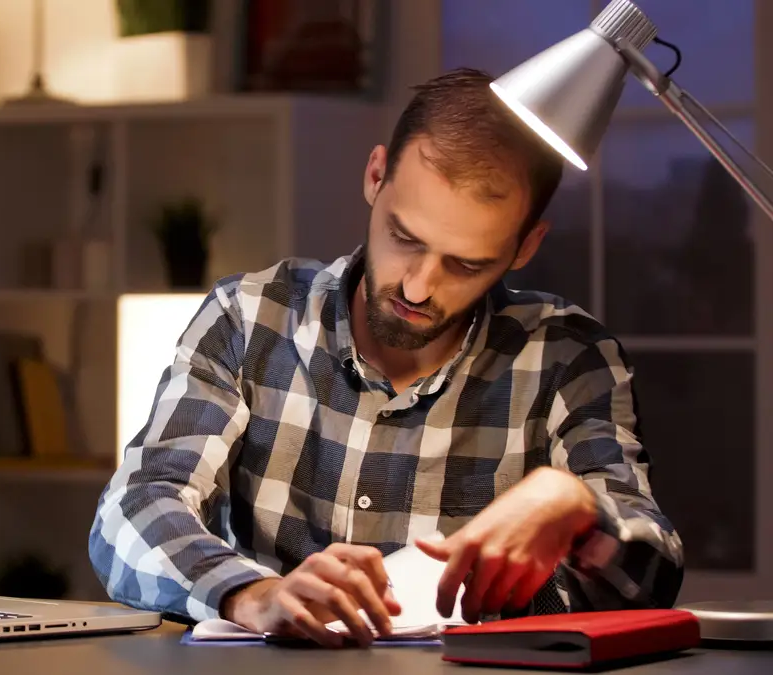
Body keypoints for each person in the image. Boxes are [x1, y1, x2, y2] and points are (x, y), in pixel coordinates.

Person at [87, 68, 684, 647]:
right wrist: (251, 594)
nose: (420, 287)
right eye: (405, 237)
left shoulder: (567, 358)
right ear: (375, 176)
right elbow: (133, 509)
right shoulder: (250, 318)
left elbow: (653, 577)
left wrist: (579, 510)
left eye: (467, 264)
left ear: (525, 246)